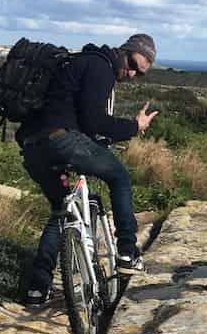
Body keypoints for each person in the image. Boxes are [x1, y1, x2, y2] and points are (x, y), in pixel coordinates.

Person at [18, 33, 160, 306]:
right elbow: (95, 120)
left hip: (33, 147)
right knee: (118, 176)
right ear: (124, 51)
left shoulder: (80, 63)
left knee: (61, 211)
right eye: (132, 65)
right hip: (61, 140)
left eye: (139, 74)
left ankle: (37, 288)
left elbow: (77, 115)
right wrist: (134, 127)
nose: (131, 74)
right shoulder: (100, 67)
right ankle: (128, 252)